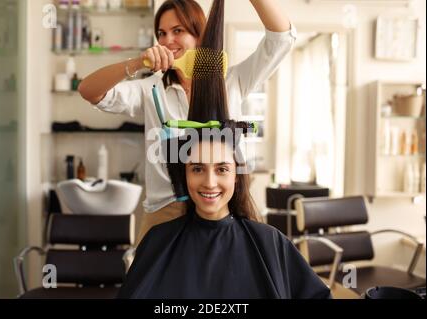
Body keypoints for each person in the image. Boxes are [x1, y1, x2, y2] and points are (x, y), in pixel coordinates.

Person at [78, 0, 297, 245]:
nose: (167, 39)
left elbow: (281, 38)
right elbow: (89, 90)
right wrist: (138, 63)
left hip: (224, 210)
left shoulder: (233, 81)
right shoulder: (151, 89)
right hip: (166, 212)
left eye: (178, 31)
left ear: (199, 34)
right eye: (162, 33)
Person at [117, 129, 331, 299]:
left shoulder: (269, 242)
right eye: (198, 169)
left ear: (236, 177)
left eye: (222, 169)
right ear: (185, 177)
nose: (210, 183)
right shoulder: (158, 240)